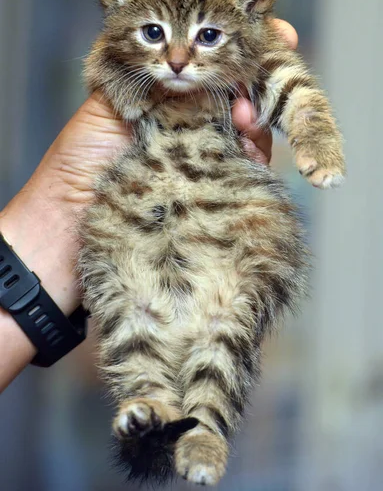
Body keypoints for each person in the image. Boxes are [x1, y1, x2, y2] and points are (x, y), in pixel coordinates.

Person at [0, 20, 298, 392]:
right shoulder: (131, 70)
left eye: (204, 36)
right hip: (132, 221)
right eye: (156, 34)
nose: (176, 58)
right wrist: (62, 203)